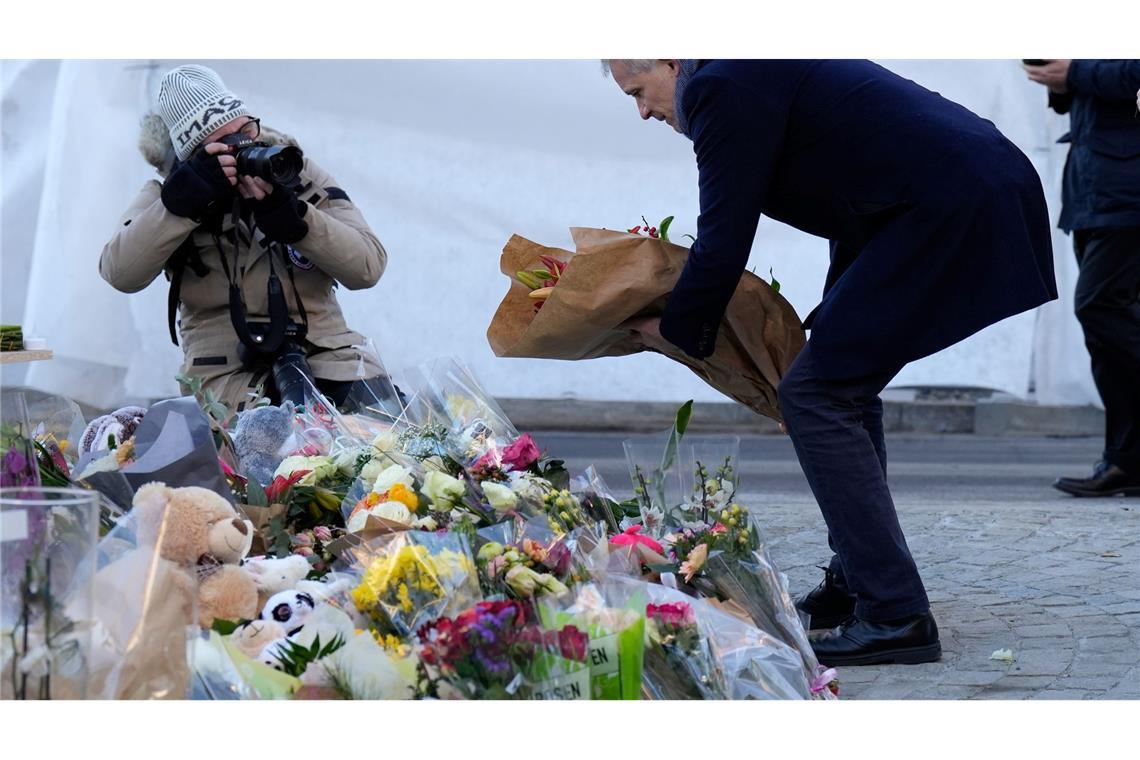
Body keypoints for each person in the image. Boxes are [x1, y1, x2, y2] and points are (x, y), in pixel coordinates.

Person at [607, 60, 1057, 666]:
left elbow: (724, 235)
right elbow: (853, 167)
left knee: (818, 394)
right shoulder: (742, 66)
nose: (643, 112)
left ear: (669, 58)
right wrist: (835, 312)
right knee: (835, 384)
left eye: (639, 91)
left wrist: (675, 330)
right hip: (935, 197)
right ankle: (857, 580)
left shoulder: (719, 84)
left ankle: (895, 614)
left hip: (951, 202)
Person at [100, 64, 396, 413]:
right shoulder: (168, 196)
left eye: (245, 131)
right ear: (196, 155)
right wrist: (180, 208)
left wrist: (300, 222)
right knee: (271, 440)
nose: (243, 146)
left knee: (387, 429)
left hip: (329, 355)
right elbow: (119, 272)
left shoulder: (295, 172)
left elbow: (368, 266)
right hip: (228, 374)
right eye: (224, 144)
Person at [1024, 60, 1140, 498]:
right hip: (1094, 190)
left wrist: (1073, 72)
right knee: (1108, 328)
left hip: (1127, 194)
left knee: (1101, 308)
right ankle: (1127, 460)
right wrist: (1059, 79)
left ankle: (1127, 459)